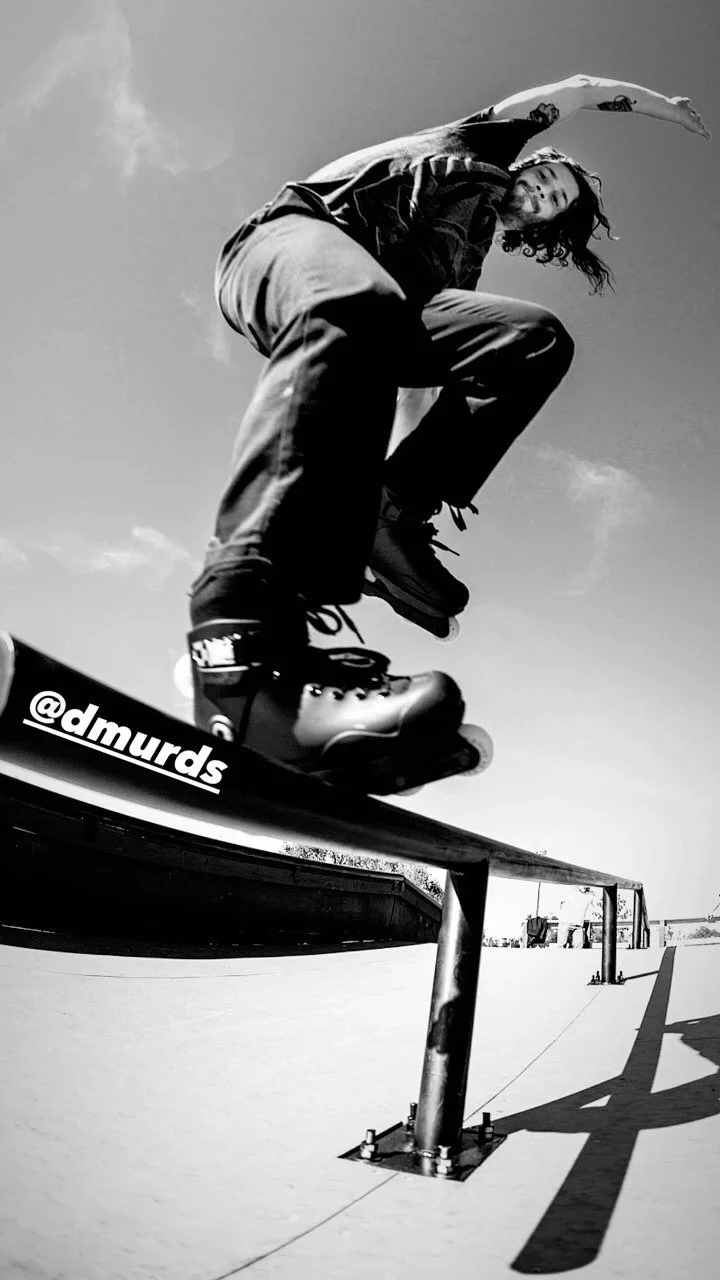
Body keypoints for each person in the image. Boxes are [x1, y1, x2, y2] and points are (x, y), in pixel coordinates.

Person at [188, 74, 709, 792]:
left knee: (530, 339)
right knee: (363, 302)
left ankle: (386, 523)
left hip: (375, 319)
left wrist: (373, 511)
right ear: (529, 163)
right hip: (286, 244)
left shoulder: (461, 267)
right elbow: (580, 90)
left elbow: (411, 396)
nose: (542, 193)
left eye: (553, 202)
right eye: (547, 178)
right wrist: (663, 107)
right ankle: (234, 643)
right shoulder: (480, 148)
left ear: (540, 227)